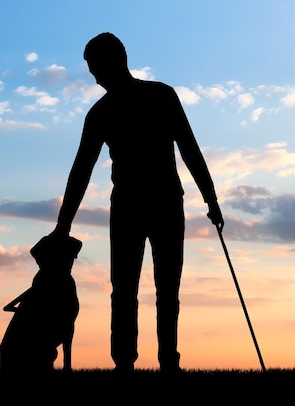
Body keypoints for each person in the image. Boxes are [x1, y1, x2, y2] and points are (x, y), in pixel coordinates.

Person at [51, 32, 224, 373]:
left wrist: (211, 199)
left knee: (155, 289)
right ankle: (129, 364)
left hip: (158, 205)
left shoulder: (156, 97)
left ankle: (159, 363)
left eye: (95, 67)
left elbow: (189, 149)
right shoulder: (108, 110)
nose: (94, 76)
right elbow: (80, 172)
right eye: (90, 69)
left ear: (117, 61)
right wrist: (63, 225)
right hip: (138, 207)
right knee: (131, 289)